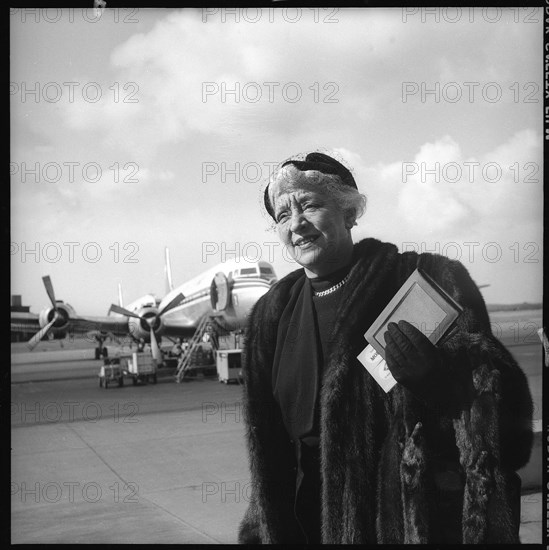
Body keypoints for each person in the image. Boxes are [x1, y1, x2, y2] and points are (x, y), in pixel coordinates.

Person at [237, 151, 533, 544]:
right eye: (282, 215)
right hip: (302, 526)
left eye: (309, 205)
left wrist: (439, 378)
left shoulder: (428, 281)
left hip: (401, 526)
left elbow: (508, 424)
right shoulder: (269, 315)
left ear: (348, 213)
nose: (297, 225)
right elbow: (270, 453)